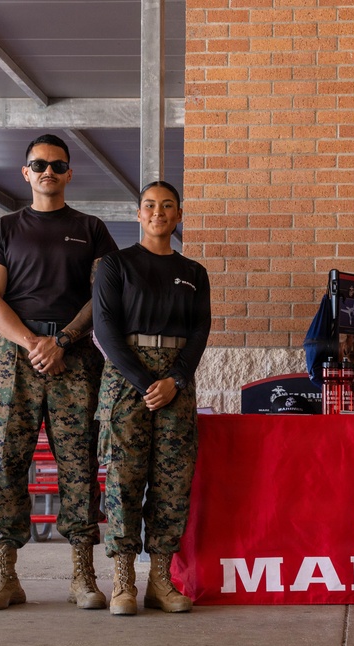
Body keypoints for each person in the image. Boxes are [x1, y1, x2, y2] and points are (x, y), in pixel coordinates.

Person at [0, 134, 117, 611]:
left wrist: (62, 341)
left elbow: (103, 297)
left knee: (78, 465)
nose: (48, 172)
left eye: (57, 165)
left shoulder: (91, 228)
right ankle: (5, 574)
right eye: (39, 165)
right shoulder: (5, 228)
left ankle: (82, 573)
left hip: (73, 355)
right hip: (13, 356)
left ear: (69, 173)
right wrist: (32, 342)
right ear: (25, 172)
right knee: (5, 461)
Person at [92, 181, 211, 616]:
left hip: (176, 380)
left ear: (178, 215)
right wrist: (146, 382)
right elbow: (104, 329)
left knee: (172, 480)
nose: (158, 212)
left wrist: (175, 379)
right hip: (128, 379)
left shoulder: (194, 272)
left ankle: (161, 581)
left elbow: (200, 331)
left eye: (167, 206)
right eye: (149, 206)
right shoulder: (115, 265)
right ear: (138, 215)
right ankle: (124, 582)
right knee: (124, 479)